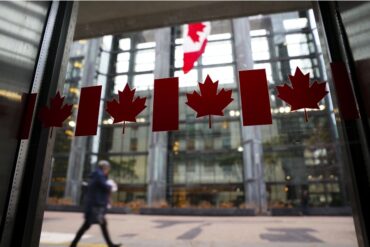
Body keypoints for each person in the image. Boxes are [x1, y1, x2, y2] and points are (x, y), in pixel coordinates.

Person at [70, 160, 121, 247]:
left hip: (95, 205)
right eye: (108, 168)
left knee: (102, 224)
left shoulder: (97, 175)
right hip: (95, 206)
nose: (108, 170)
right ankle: (73, 244)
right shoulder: (99, 175)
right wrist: (110, 186)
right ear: (105, 167)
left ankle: (110, 244)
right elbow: (104, 186)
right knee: (87, 226)